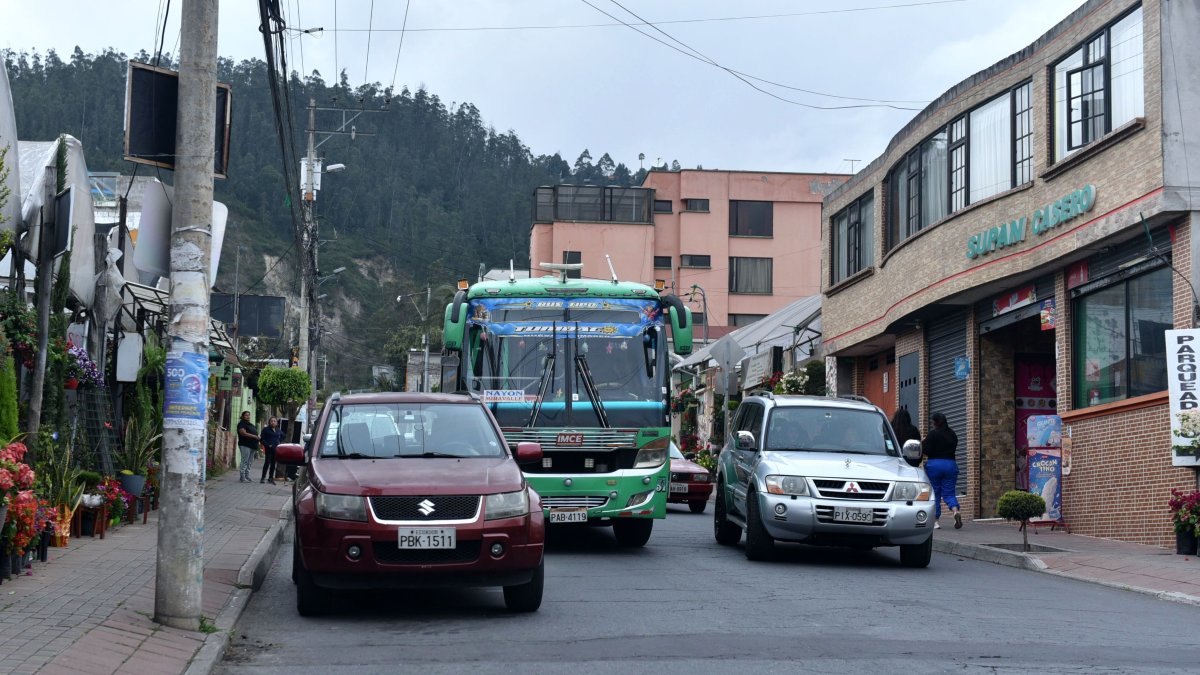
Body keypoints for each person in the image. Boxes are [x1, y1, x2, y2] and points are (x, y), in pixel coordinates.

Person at [922, 412, 961, 529]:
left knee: (935, 493)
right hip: (950, 465)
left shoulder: (932, 434)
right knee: (949, 493)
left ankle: (936, 521)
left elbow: (926, 450)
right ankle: (955, 511)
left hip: (934, 465)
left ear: (935, 422)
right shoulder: (952, 434)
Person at [236, 411, 260, 483]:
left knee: (249, 462)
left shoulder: (250, 424)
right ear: (242, 416)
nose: (248, 416)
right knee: (245, 461)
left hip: (253, 446)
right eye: (246, 415)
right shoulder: (241, 424)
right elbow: (243, 433)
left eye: (249, 415)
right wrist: (254, 436)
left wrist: (257, 437)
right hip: (245, 445)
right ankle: (242, 477)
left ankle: (247, 476)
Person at [260, 417, 283, 485]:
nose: (273, 422)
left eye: (274, 421)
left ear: (277, 423)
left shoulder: (278, 430)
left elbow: (283, 435)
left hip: (276, 449)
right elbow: (261, 439)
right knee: (267, 462)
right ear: (269, 422)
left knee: (273, 464)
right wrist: (267, 445)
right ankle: (263, 477)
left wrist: (279, 442)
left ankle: (270, 478)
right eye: (271, 421)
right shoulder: (266, 429)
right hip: (269, 449)